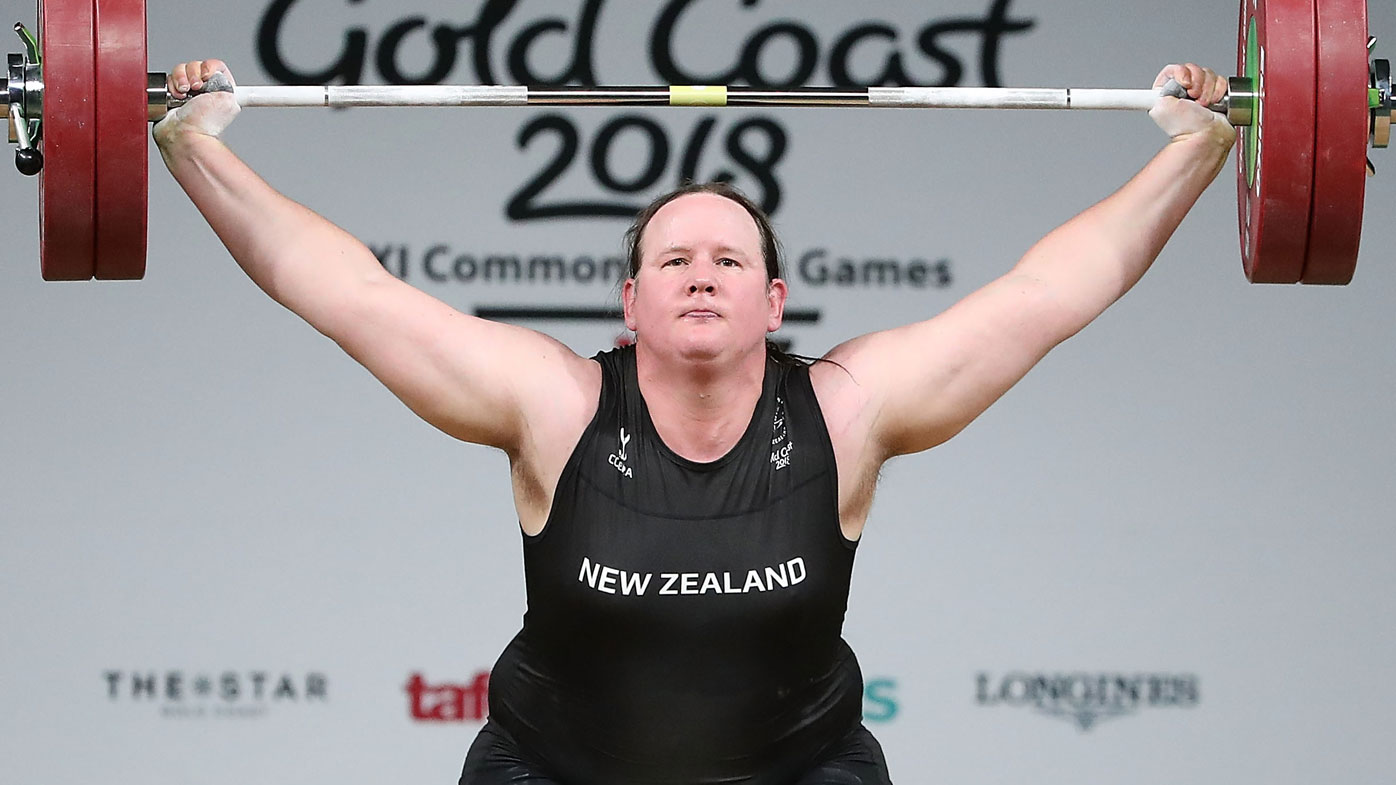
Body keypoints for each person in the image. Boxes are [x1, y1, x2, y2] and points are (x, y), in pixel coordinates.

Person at [154, 59, 1235, 784]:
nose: (700, 273)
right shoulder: (556, 403)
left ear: (774, 300)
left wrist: (1198, 143)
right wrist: (191, 140)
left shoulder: (848, 408)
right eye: (672, 258)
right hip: (553, 768)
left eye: (729, 258)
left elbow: (1047, 293)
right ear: (629, 303)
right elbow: (350, 295)